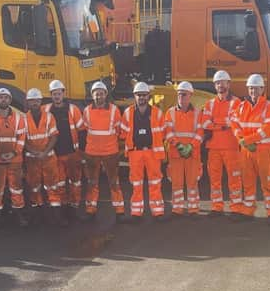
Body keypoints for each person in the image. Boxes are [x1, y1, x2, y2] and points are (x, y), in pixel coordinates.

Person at [232, 74, 270, 225]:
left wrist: (247, 140)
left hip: (263, 150)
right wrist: (242, 139)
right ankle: (248, 210)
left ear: (262, 89)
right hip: (246, 151)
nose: (253, 91)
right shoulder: (242, 106)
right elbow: (234, 123)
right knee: (248, 181)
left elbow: (268, 129)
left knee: (267, 181)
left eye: (256, 88)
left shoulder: (269, 107)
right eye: (251, 88)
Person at [120, 82, 166, 221]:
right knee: (136, 183)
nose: (141, 98)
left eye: (144, 95)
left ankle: (157, 212)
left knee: (155, 182)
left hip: (152, 152)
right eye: (138, 95)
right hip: (135, 153)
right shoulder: (128, 113)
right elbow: (122, 133)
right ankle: (136, 212)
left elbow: (163, 132)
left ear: (148, 96)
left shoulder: (157, 113)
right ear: (134, 96)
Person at [82, 81, 126, 223]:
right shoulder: (87, 111)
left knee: (114, 182)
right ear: (92, 95)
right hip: (92, 153)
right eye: (96, 94)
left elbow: (119, 131)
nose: (99, 96)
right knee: (92, 182)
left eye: (101, 93)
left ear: (106, 95)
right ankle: (90, 210)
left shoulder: (114, 110)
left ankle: (119, 211)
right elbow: (85, 131)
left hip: (110, 153)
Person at [201, 70, 243, 218]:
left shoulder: (236, 102)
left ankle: (236, 208)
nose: (220, 85)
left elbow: (234, 122)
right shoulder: (209, 103)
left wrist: (215, 123)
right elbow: (205, 123)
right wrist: (223, 125)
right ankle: (216, 207)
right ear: (214, 85)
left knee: (234, 178)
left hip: (231, 147)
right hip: (213, 148)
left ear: (228, 84)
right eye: (217, 83)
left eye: (222, 82)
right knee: (214, 180)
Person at [43, 79, 85, 222]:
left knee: (75, 182)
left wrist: (81, 152)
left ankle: (74, 209)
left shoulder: (73, 109)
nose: (56, 96)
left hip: (72, 153)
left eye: (59, 93)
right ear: (51, 95)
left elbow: (81, 131)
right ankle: (62, 210)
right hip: (54, 154)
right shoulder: (46, 110)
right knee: (59, 183)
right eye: (54, 94)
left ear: (63, 93)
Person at [0, 87, 28, 229]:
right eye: (1, 97)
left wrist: (15, 153)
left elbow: (22, 138)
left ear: (10, 100)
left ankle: (19, 215)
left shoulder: (18, 118)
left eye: (6, 97)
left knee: (16, 188)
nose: (3, 100)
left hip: (14, 160)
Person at [24, 88, 64, 225]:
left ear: (40, 101)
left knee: (52, 185)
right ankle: (37, 213)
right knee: (34, 186)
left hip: (48, 158)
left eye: (36, 100)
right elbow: (22, 140)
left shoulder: (49, 116)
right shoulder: (24, 119)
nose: (34, 103)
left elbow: (54, 136)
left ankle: (57, 215)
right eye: (31, 100)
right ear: (28, 102)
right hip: (32, 159)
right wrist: (35, 153)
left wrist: (45, 152)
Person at [164, 81, 203, 217]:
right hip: (176, 154)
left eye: (184, 94)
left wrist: (190, 146)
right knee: (177, 183)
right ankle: (177, 209)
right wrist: (179, 146)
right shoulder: (170, 113)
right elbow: (168, 132)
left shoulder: (198, 113)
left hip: (192, 154)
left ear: (190, 95)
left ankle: (193, 209)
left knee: (192, 183)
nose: (181, 97)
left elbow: (200, 133)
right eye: (179, 94)